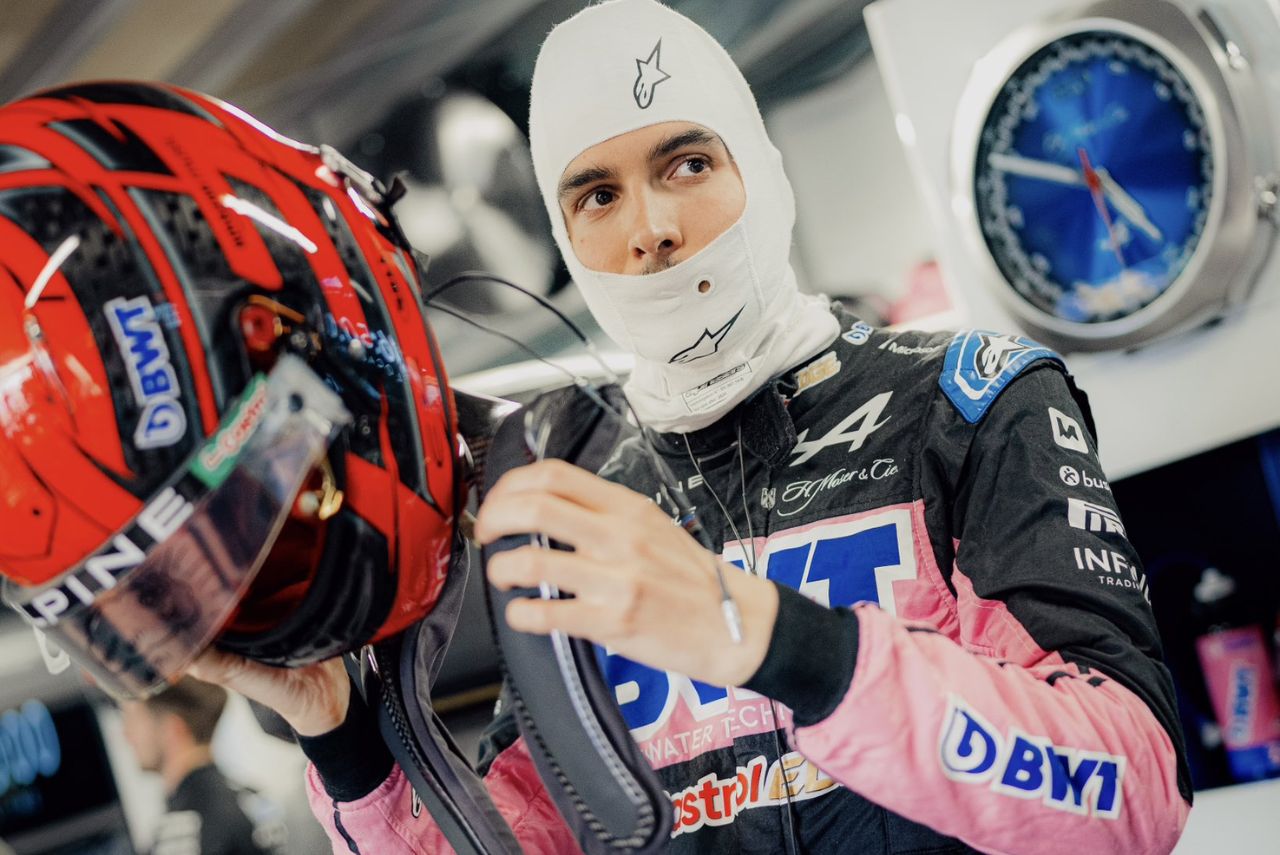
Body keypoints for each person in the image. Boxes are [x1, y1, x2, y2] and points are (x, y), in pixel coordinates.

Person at [199, 1, 1192, 853]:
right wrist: (346, 744)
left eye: (683, 162)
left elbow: (1129, 791)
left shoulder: (965, 402)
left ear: (756, 167)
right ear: (565, 238)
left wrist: (775, 640)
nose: (650, 228)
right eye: (596, 193)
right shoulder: (560, 483)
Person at [121, 678, 287, 855]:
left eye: (134, 721)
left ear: (173, 729)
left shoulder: (183, 827)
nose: (127, 735)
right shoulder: (252, 797)